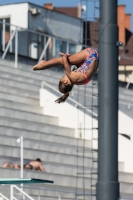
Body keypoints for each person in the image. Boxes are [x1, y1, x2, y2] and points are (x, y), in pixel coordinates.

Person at [33, 48, 99, 103]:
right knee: (62, 61)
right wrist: (65, 56)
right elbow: (65, 62)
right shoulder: (71, 76)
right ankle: (43, 65)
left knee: (69, 61)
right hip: (90, 54)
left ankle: (44, 64)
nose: (64, 76)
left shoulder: (79, 81)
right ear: (65, 82)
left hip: (96, 58)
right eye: (63, 77)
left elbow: (83, 68)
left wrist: (72, 59)